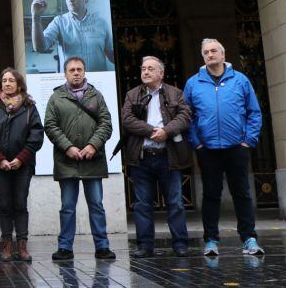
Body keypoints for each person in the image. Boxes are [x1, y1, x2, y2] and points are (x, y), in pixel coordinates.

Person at [184, 38, 264, 257]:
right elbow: (186, 116)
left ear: (223, 54)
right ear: (202, 57)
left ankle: (248, 238)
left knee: (242, 193)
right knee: (211, 194)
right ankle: (210, 240)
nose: (210, 55)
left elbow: (254, 113)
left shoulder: (240, 80)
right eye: (206, 52)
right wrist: (197, 143)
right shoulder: (193, 83)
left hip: (237, 146)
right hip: (208, 148)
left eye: (213, 51)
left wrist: (249, 141)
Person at [43, 56, 115, 261]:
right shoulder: (56, 97)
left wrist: (93, 145)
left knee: (96, 206)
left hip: (93, 161)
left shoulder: (96, 95)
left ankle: (102, 246)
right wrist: (68, 147)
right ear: (65, 73)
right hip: (67, 162)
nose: (76, 73)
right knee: (67, 207)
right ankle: (64, 247)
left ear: (84, 72)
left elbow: (106, 123)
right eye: (72, 70)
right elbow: (50, 125)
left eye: (79, 69)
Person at [120, 56, 192, 258]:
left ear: (161, 73)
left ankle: (180, 244)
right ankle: (144, 245)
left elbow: (185, 116)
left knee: (175, 202)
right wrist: (153, 131)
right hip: (142, 157)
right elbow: (127, 120)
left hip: (168, 156)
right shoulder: (132, 94)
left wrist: (167, 131)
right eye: (143, 68)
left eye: (151, 68)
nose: (146, 72)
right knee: (142, 204)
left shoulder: (175, 93)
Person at [0, 68, 44, 263]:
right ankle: (7, 246)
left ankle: (22, 247)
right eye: (4, 80)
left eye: (11, 80)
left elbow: (36, 135)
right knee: (5, 205)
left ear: (19, 84)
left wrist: (20, 159)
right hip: (0, 165)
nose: (7, 83)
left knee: (20, 204)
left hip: (22, 165)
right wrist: (0, 159)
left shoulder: (29, 107)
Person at [30, 0, 115, 72]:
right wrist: (36, 16)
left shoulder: (101, 23)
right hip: (71, 83)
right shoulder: (59, 22)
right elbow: (40, 47)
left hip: (97, 81)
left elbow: (111, 53)